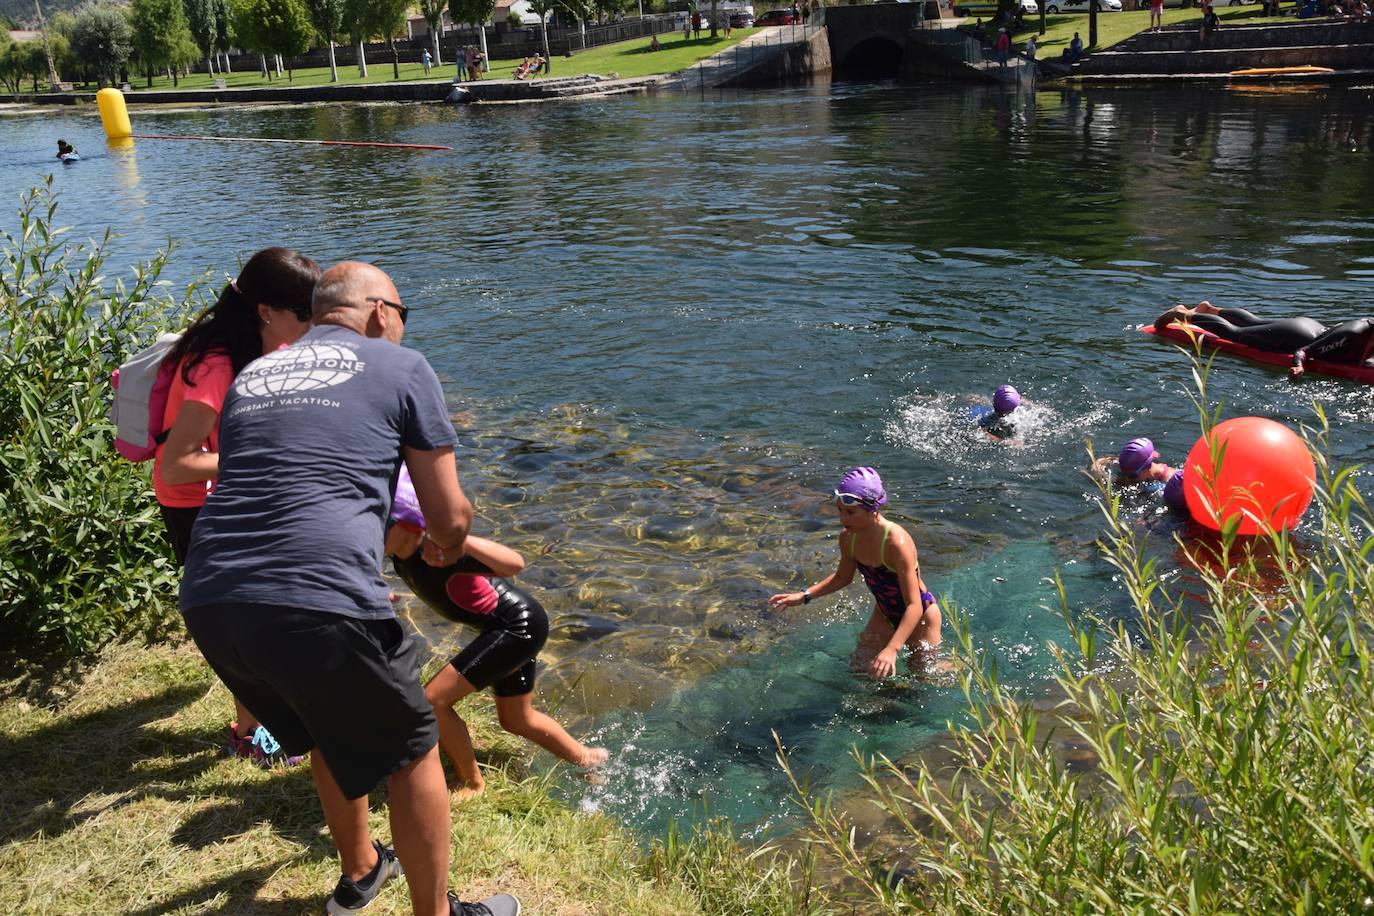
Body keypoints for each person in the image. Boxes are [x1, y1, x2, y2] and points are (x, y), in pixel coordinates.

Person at [178, 262, 518, 916]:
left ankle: (361, 873)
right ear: (375, 313)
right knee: (415, 742)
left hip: (212, 597)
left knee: (329, 726)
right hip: (313, 594)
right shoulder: (403, 367)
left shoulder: (256, 373)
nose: (401, 327)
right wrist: (447, 545)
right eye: (403, 313)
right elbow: (448, 516)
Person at [156, 247, 319, 766]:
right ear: (266, 311)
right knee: (253, 625)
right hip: (197, 510)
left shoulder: (253, 346)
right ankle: (250, 731)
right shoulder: (215, 368)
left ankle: (259, 721)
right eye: (305, 316)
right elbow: (175, 465)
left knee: (264, 619)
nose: (313, 328)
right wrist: (262, 457)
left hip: (229, 500)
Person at [385, 467, 607, 801]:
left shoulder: (441, 551)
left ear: (407, 524)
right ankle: (588, 759)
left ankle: (471, 782)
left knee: (433, 701)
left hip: (519, 625)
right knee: (517, 719)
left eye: (379, 521)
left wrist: (458, 540)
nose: (371, 530)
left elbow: (514, 563)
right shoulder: (394, 551)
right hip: (500, 627)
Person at [768, 467, 943, 678]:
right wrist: (805, 595)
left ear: (873, 510)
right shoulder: (848, 538)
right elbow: (843, 577)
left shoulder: (897, 542)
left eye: (851, 512)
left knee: (923, 676)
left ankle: (958, 666)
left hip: (920, 616)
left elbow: (914, 605)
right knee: (860, 670)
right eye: (840, 510)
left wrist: (892, 649)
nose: (843, 518)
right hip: (884, 613)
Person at [1153, 301, 1374, 378]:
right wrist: (1298, 367)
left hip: (1309, 326)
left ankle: (1210, 309)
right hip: (1296, 337)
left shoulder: (1368, 329)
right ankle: (1183, 313)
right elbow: (1304, 352)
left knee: (1253, 322)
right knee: (1236, 335)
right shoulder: (1355, 332)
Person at [1090, 437, 1175, 495]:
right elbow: (1100, 462)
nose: (1128, 478)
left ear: (1147, 467)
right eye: (1124, 471)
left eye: (1132, 475)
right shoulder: (1133, 465)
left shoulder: (1167, 484)